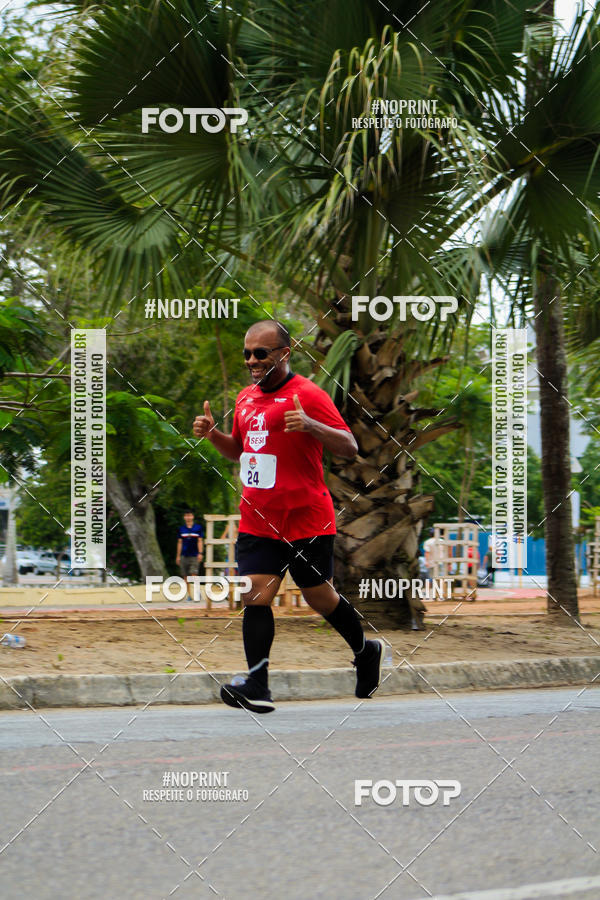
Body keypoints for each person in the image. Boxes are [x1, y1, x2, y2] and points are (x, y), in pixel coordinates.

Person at [192, 320, 384, 713]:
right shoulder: (245, 399)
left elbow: (349, 446)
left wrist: (312, 425)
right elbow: (239, 451)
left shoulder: (308, 394)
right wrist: (213, 435)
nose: (252, 360)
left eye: (260, 353)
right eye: (247, 353)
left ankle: (366, 651)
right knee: (255, 594)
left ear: (284, 353)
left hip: (306, 518)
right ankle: (258, 685)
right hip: (258, 517)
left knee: (319, 597)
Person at [175, 510, 204, 601]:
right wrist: (178, 556)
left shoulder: (198, 528)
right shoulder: (181, 529)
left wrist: (200, 553)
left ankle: (197, 593)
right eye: (186, 515)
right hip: (184, 555)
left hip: (194, 555)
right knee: (185, 576)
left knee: (194, 574)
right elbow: (179, 542)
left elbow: (200, 541)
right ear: (184, 517)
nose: (188, 517)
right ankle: (189, 595)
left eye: (190, 515)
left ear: (192, 516)